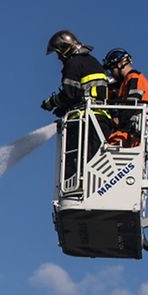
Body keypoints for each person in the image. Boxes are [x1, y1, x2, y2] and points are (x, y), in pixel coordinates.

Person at [41, 30, 112, 183]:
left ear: (66, 48)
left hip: (84, 121)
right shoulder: (92, 62)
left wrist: (51, 102)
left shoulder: (73, 63)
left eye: (59, 53)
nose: (59, 58)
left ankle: (78, 188)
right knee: (93, 162)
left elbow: (69, 93)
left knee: (76, 163)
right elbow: (81, 92)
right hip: (101, 120)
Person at [102, 47, 148, 147]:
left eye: (112, 69)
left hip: (128, 135)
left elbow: (132, 107)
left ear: (120, 65)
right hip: (126, 134)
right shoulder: (125, 83)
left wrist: (117, 122)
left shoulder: (134, 78)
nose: (111, 73)